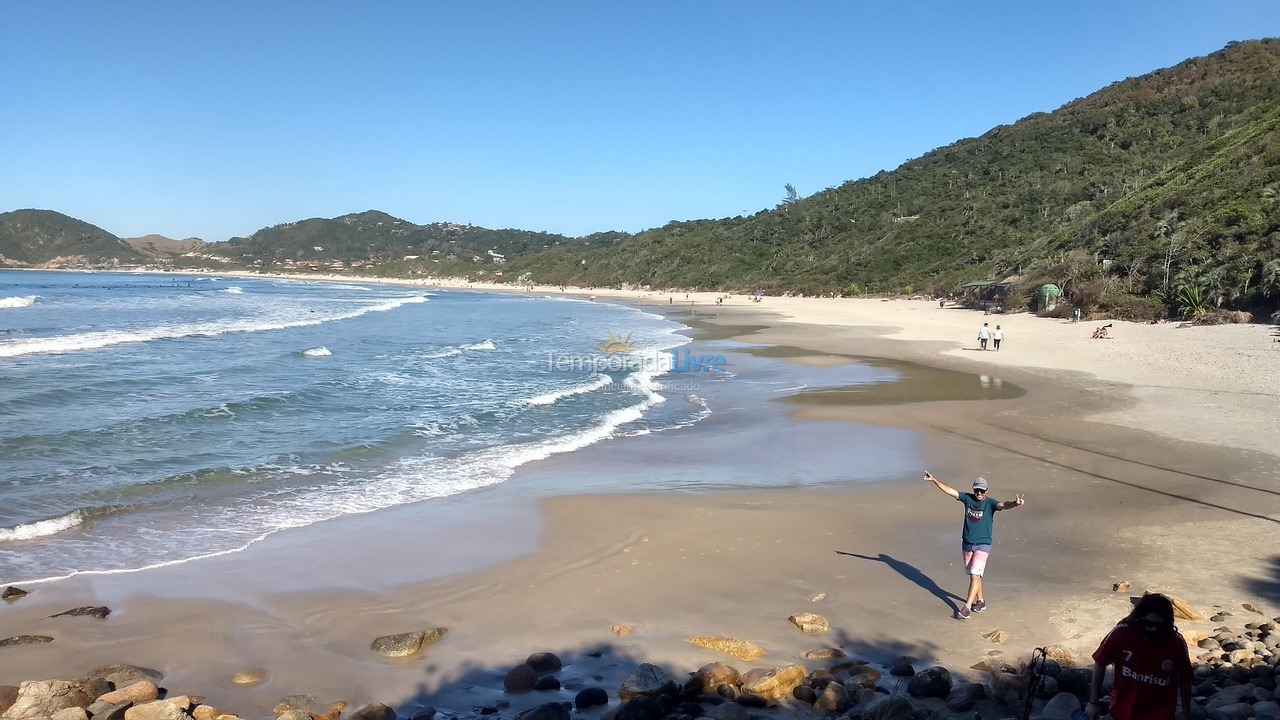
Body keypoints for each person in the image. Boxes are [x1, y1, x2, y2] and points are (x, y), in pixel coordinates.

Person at [923, 472, 1024, 619]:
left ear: (986, 491)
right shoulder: (967, 498)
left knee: (975, 574)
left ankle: (967, 608)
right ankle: (981, 601)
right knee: (973, 575)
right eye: (977, 490)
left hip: (983, 544)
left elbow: (1004, 504)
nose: (979, 493)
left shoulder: (990, 503)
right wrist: (934, 480)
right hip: (967, 543)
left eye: (982, 490)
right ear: (973, 489)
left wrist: (1015, 504)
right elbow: (950, 491)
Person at [1087, 593, 1192, 720]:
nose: (1153, 629)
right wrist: (1093, 702)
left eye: (1160, 626)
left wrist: (1186, 712)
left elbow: (1185, 678)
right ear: (1139, 618)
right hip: (1123, 713)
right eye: (1149, 624)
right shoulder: (1122, 633)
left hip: (1160, 715)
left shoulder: (1176, 642)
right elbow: (1100, 662)